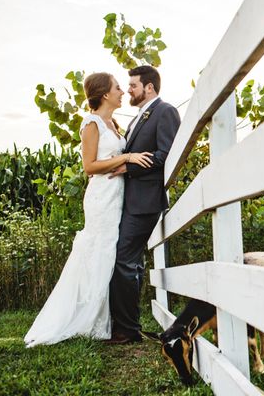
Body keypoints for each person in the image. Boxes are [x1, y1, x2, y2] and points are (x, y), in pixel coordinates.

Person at [24, 73, 153, 347]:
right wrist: (127, 157)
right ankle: (87, 318)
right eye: (118, 88)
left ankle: (106, 319)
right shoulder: (91, 123)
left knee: (109, 254)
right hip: (101, 197)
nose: (122, 91)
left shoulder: (113, 123)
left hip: (117, 196)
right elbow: (89, 166)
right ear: (105, 94)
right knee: (99, 253)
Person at [105, 65, 181, 344]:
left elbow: (166, 154)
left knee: (123, 260)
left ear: (149, 87)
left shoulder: (165, 111)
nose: (129, 90)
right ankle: (128, 326)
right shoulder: (140, 116)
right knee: (130, 261)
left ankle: (126, 330)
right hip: (131, 200)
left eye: (133, 85)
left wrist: (129, 167)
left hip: (146, 201)